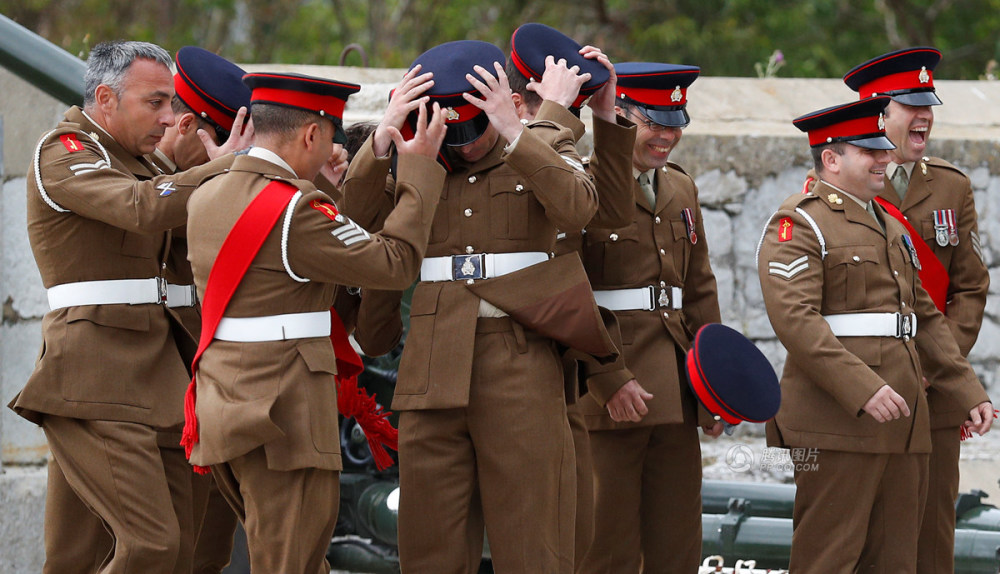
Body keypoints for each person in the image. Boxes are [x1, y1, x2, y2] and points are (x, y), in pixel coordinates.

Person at [342, 40, 599, 573]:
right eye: (451, 131)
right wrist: (385, 137)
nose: (464, 145)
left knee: (534, 541)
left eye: (474, 127)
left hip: (520, 362)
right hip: (433, 365)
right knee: (429, 544)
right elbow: (351, 223)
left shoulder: (531, 148)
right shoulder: (416, 159)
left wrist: (513, 130)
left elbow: (579, 209)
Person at [183, 70, 447, 573]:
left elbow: (331, 234)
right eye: (327, 139)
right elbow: (393, 264)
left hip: (226, 406)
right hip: (285, 417)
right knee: (293, 563)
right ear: (310, 135)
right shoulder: (296, 209)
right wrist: (419, 172)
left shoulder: (210, 192)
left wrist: (381, 143)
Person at [9, 40, 236, 574]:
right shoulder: (65, 150)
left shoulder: (145, 162)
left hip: (155, 374)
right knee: (154, 548)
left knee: (85, 557)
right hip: (94, 378)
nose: (169, 117)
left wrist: (193, 166)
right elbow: (137, 207)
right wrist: (225, 169)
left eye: (173, 104)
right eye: (155, 102)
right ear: (106, 98)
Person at [757, 95, 993, 573]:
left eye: (884, 148)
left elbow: (922, 317)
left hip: (903, 423)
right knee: (830, 558)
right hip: (838, 423)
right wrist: (864, 388)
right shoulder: (799, 222)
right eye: (870, 150)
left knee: (897, 562)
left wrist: (966, 390)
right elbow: (797, 322)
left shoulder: (888, 223)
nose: (884, 158)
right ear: (831, 158)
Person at [842, 47, 991, 574]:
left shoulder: (950, 185)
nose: (924, 112)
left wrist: (937, 365)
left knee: (931, 534)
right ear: (876, 113)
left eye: (928, 100)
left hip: (935, 390)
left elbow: (970, 288)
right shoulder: (838, 190)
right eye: (910, 103)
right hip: (871, 389)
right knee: (861, 531)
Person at [571, 62, 723, 574]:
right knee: (605, 546)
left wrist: (714, 389)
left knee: (677, 544)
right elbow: (570, 293)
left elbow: (698, 291)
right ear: (616, 115)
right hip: (611, 391)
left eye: (675, 122)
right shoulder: (583, 186)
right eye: (654, 122)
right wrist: (607, 379)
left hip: (677, 391)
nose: (668, 136)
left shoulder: (680, 188)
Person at [506, 22, 635, 571]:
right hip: (503, 365)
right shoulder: (501, 159)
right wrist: (553, 116)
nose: (567, 123)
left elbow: (608, 213)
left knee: (572, 531)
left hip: (564, 369)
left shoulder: (557, 160)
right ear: (518, 103)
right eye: (555, 105)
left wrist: (604, 114)